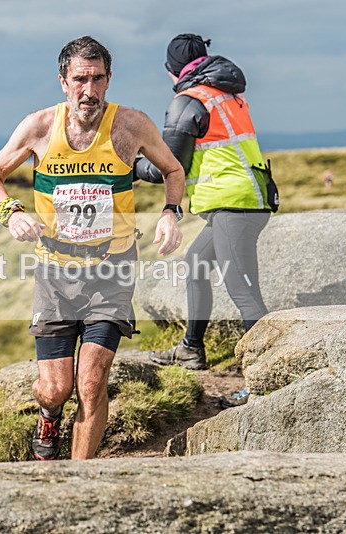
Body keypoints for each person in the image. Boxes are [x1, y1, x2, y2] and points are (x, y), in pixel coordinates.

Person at [0, 36, 185, 461]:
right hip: (55, 274)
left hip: (111, 271)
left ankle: (78, 480)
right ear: (63, 82)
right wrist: (12, 212)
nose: (88, 90)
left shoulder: (132, 125)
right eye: (79, 79)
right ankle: (48, 414)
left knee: (91, 382)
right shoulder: (39, 126)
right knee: (56, 388)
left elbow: (173, 169)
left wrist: (170, 212)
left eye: (97, 79)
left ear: (109, 81)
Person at [136, 34, 277, 386]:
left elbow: (169, 167)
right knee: (196, 263)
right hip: (246, 199)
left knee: (245, 294)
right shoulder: (227, 94)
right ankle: (191, 349)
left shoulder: (188, 102)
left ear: (172, 70)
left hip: (234, 207)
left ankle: (264, 383)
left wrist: (132, 168)